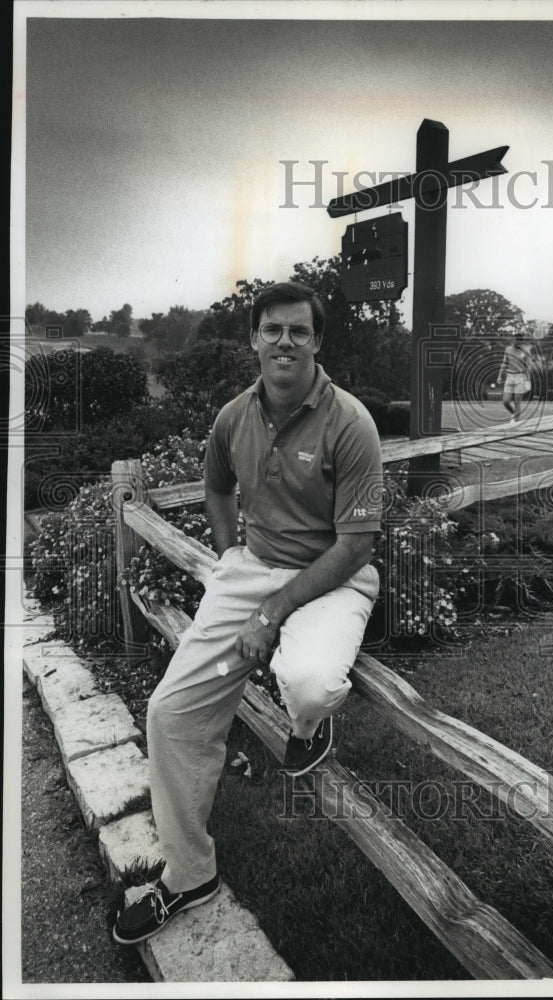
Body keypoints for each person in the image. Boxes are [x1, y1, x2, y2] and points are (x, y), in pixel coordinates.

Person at [113, 281, 382, 945]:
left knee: (309, 684)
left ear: (317, 341)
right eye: (273, 329)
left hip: (334, 575)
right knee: (171, 713)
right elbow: (216, 486)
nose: (285, 341)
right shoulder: (234, 416)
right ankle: (188, 874)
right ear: (254, 338)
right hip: (253, 568)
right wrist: (230, 556)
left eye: (299, 330)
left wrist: (272, 612)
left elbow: (357, 544)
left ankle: (309, 726)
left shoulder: (350, 422)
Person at [496, 330, 533, 424]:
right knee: (505, 401)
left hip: (521, 376)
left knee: (517, 400)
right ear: (513, 339)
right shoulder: (508, 349)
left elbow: (528, 367)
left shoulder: (526, 351)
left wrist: (528, 381)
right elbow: (504, 363)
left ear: (522, 340)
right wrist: (500, 376)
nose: (517, 341)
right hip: (510, 376)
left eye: (519, 340)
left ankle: (515, 421)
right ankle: (513, 413)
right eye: (515, 339)